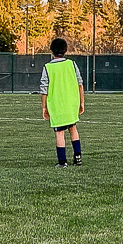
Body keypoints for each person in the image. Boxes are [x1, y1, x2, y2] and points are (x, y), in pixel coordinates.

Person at [40, 38, 84, 167]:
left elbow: (44, 89)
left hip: (57, 104)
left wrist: (44, 107)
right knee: (73, 128)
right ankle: (78, 156)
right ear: (65, 50)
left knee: (59, 132)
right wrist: (82, 102)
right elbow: (79, 84)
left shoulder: (48, 67)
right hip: (71, 102)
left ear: (52, 51)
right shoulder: (71, 64)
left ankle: (62, 161)